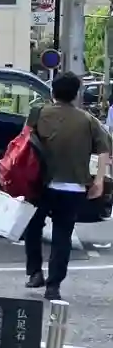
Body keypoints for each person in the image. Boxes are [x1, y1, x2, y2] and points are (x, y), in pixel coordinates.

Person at [23, 71, 111, 298]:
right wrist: (99, 181)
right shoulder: (88, 120)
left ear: (52, 91)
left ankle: (35, 273)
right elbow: (104, 151)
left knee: (32, 227)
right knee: (62, 236)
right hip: (73, 188)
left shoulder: (38, 113)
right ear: (76, 94)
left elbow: (23, 143)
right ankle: (53, 286)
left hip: (39, 184)